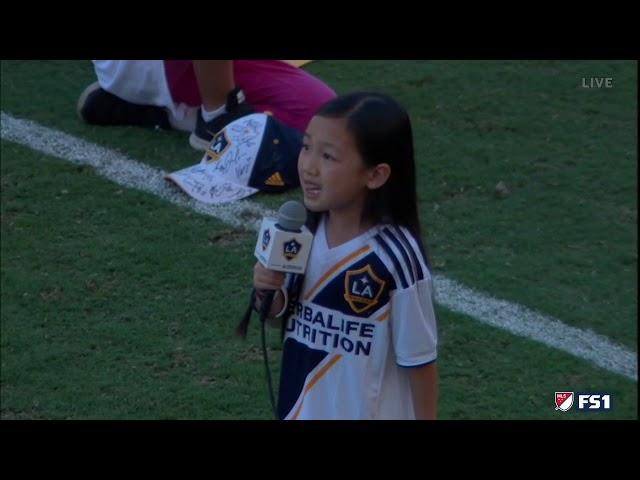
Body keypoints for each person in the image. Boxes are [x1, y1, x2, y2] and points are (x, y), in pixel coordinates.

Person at [252, 92, 438, 420]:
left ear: (375, 175)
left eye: (328, 156)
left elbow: (420, 361)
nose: (308, 166)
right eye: (307, 147)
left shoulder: (397, 257)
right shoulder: (299, 236)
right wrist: (269, 292)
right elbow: (285, 317)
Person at [77, 60, 336, 151]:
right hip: (156, 68)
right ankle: (217, 116)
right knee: (322, 124)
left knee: (323, 116)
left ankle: (164, 112)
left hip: (135, 72)